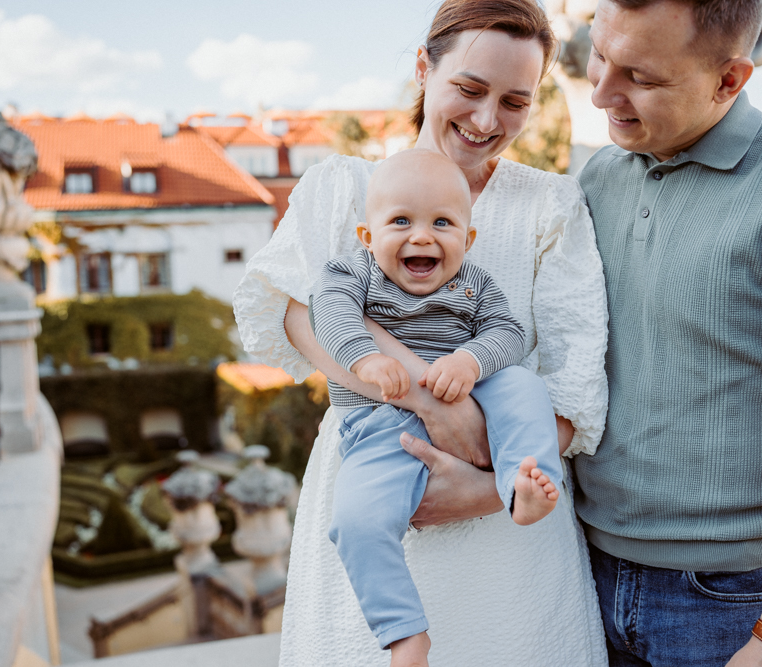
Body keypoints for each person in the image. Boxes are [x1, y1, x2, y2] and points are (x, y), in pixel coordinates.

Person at [232, 1, 610, 664]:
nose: (487, 120)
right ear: (422, 70)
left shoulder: (550, 204)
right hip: (372, 466)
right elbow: (294, 312)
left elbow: (577, 380)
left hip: (514, 534)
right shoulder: (342, 186)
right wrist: (431, 403)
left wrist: (488, 490)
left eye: (515, 101)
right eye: (469, 88)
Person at [570, 1, 762, 666]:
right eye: (600, 54)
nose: (601, 92)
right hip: (582, 573)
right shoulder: (598, 177)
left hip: (729, 604)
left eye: (641, 77)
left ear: (729, 79)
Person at [313, 149, 563, 666]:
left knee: (522, 385)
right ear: (367, 236)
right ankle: (404, 633)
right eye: (401, 221)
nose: (423, 237)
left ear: (467, 240)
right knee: (354, 521)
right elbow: (328, 312)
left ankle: (525, 483)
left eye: (442, 223)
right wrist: (365, 359)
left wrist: (470, 360)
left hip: (471, 398)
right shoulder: (354, 273)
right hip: (380, 426)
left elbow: (508, 333)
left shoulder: (475, 284)